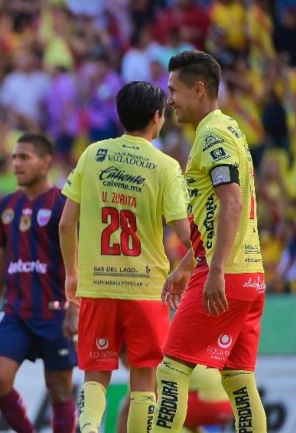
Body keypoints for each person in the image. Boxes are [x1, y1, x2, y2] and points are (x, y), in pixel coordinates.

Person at [58, 81, 192, 433]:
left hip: (98, 285)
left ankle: (88, 429)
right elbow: (187, 236)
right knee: (144, 379)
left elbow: (65, 223)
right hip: (147, 290)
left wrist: (72, 274)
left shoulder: (93, 154)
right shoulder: (165, 166)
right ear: (157, 117)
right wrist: (188, 266)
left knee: (95, 375)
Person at [152, 50, 267, 433]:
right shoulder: (229, 128)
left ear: (198, 89)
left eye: (174, 90)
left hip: (226, 274)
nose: (169, 99)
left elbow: (231, 202)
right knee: (238, 377)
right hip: (251, 275)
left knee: (171, 368)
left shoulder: (212, 135)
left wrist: (213, 270)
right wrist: (186, 266)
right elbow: (214, 217)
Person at [0, 133, 77, 433]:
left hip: (55, 311)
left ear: (45, 162)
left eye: (24, 157)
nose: (16, 164)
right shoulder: (6, 206)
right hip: (15, 312)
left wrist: (74, 307)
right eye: (14, 157)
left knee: (60, 389)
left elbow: (79, 260)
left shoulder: (63, 204)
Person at [116, 353, 234, 433]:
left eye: (121, 358)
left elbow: (128, 408)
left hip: (204, 401)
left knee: (147, 406)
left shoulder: (147, 360)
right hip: (227, 403)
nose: (122, 363)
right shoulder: (164, 347)